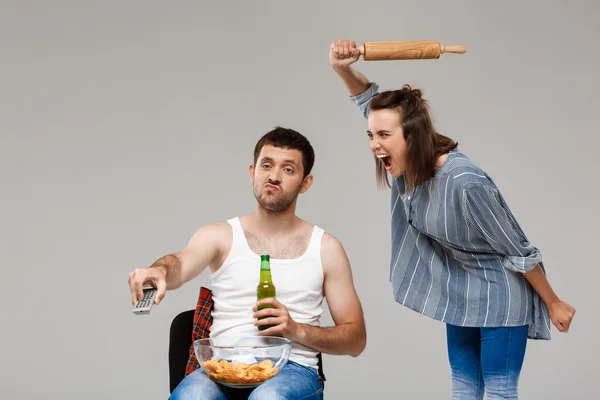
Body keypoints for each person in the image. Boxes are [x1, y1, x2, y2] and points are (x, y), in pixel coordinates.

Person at [328, 40, 575, 400]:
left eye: (383, 135)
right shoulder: (405, 167)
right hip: (459, 295)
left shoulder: (463, 182)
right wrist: (342, 69)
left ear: (411, 136)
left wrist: (553, 302)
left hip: (500, 298)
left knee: (500, 391)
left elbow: (518, 248)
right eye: (371, 135)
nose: (374, 145)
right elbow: (368, 101)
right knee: (463, 389)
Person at [128, 126, 367, 400]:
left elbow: (356, 339)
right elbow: (179, 265)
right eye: (267, 165)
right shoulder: (218, 235)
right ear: (253, 172)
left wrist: (296, 329)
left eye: (288, 169)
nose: (274, 177)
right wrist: (159, 270)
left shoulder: (326, 248)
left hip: (293, 371)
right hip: (221, 368)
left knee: (268, 398)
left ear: (306, 182)